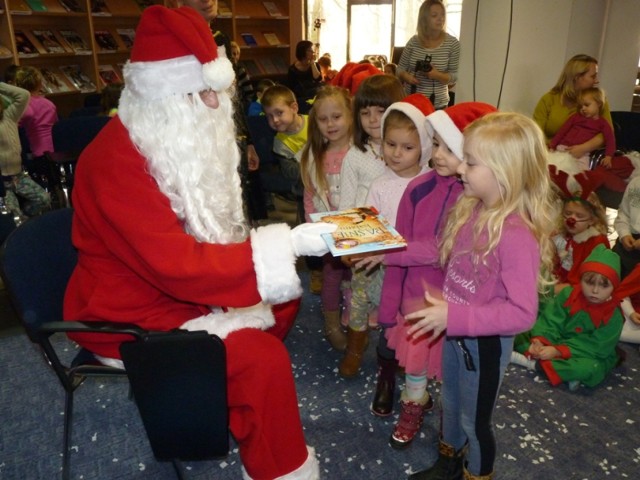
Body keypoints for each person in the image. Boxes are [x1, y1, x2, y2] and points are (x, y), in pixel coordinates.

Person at [63, 7, 336, 479]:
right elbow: (175, 265)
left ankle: (215, 401)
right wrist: (283, 246)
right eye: (199, 92)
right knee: (260, 357)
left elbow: (206, 239)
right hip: (129, 309)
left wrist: (272, 257)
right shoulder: (114, 161)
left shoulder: (164, 140)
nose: (214, 106)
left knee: (283, 301)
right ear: (161, 96)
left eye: (217, 91)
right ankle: (279, 465)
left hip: (174, 287)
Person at [405, 112, 556, 480]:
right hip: (457, 337)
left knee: (476, 422)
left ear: (505, 172)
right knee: (451, 404)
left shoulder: (517, 234)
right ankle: (449, 463)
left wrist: (454, 318)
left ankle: (476, 474)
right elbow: (435, 248)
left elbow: (522, 314)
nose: (460, 168)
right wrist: (385, 251)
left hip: (483, 348)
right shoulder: (473, 209)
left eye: (471, 163)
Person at [377, 102, 497, 450]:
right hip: (416, 302)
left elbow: (442, 248)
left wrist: (384, 252)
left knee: (452, 368)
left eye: (450, 147)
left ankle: (449, 414)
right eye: (437, 144)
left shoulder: (478, 198)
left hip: (457, 306)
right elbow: (400, 247)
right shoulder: (417, 190)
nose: (438, 154)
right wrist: (388, 308)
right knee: (415, 363)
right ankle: (414, 405)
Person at [338, 93, 434, 379]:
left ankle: (401, 362)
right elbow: (368, 221)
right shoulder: (380, 183)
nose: (396, 153)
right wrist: (353, 249)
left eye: (407, 147)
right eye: (390, 145)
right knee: (358, 295)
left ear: (423, 147)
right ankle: (355, 347)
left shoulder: (428, 182)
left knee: (402, 313)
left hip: (410, 264)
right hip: (375, 258)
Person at [512, 245, 640, 391]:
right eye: (589, 283)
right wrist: (540, 341)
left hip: (582, 352)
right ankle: (550, 363)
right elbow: (551, 321)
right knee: (518, 328)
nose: (595, 291)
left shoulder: (614, 315)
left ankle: (531, 362)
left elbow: (595, 347)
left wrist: (558, 351)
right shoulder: (568, 294)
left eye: (604, 286)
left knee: (590, 368)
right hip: (555, 340)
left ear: (614, 287)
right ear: (581, 280)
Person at [299, 85, 353, 351]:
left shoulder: (361, 152)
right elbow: (309, 195)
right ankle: (331, 323)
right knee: (332, 274)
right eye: (323, 119)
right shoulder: (313, 156)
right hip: (328, 229)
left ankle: (355, 314)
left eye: (337, 116)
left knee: (356, 275)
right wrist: (313, 228)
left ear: (350, 116)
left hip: (356, 227)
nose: (330, 124)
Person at [533, 54, 633, 193]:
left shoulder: (597, 100)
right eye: (593, 76)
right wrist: (550, 149)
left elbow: (607, 132)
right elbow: (535, 132)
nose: (596, 81)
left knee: (572, 182)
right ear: (577, 77)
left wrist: (583, 148)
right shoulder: (549, 99)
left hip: (582, 155)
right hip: (550, 151)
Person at [550, 170, 609, 294]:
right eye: (568, 213)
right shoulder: (560, 236)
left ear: (592, 220)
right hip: (559, 282)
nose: (572, 219)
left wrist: (567, 288)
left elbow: (595, 278)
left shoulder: (596, 242)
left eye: (579, 215)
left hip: (580, 289)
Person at [0, 79, 50, 222]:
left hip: (19, 176)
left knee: (44, 199)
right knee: (12, 216)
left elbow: (23, 95)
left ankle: (25, 218)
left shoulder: (10, 115)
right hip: (3, 182)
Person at [396, 0, 460, 110]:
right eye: (434, 15)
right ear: (424, 19)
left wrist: (436, 75)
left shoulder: (452, 43)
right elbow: (399, 69)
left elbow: (454, 77)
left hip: (438, 105)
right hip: (411, 102)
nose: (440, 19)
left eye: (443, 15)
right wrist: (406, 77)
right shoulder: (413, 42)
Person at [549, 87, 616, 171]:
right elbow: (561, 132)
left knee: (583, 173)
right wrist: (552, 146)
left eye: (587, 105)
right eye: (581, 106)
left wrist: (608, 156)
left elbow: (610, 139)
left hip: (583, 154)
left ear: (599, 104)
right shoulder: (575, 117)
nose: (583, 109)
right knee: (555, 167)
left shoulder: (603, 123)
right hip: (564, 148)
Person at [287, 40, 323, 106]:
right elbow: (291, 87)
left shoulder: (315, 65)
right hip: (300, 97)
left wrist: (312, 63)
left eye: (312, 50)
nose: (312, 52)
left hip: (314, 95)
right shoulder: (292, 69)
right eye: (309, 50)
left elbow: (318, 79)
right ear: (302, 52)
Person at [230, 40, 254, 112]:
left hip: (240, 107)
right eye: (233, 54)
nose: (235, 57)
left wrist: (243, 107)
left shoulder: (240, 71)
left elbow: (250, 93)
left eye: (237, 54)